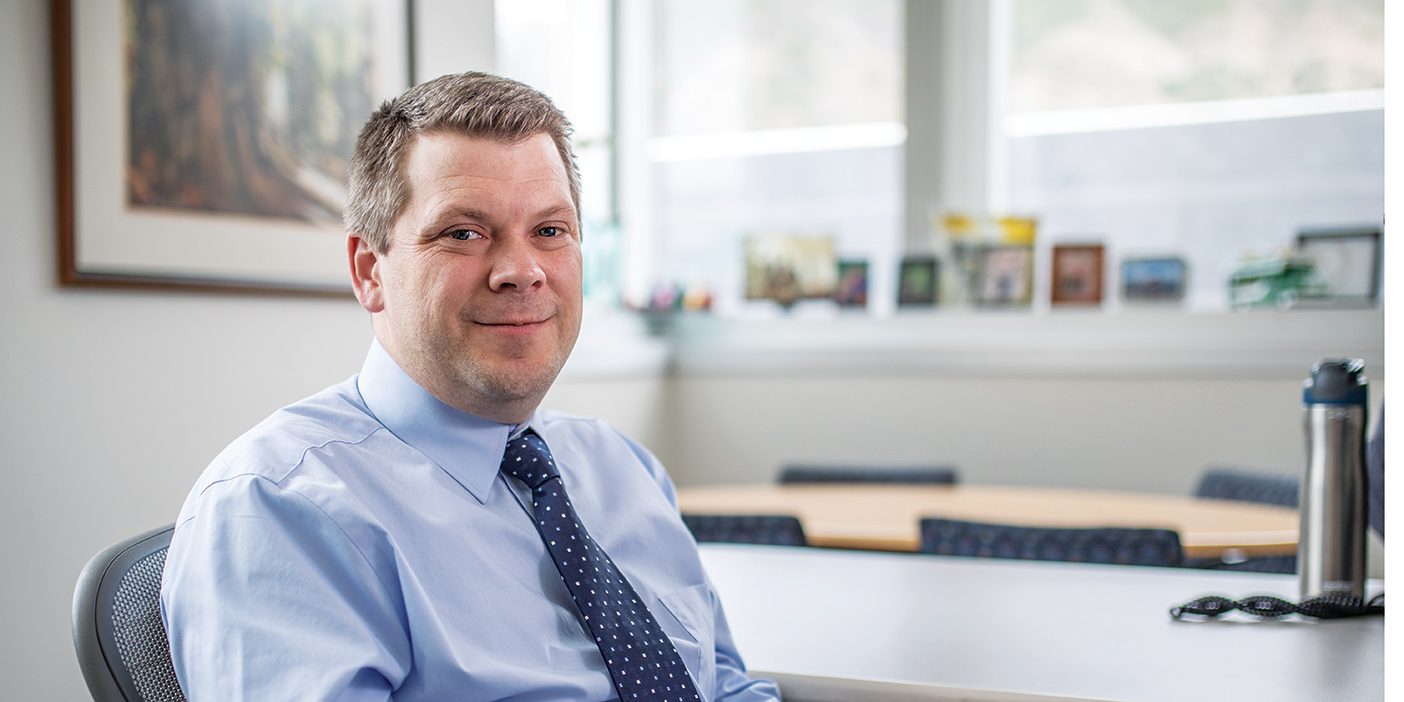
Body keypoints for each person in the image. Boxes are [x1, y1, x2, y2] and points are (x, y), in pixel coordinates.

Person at [160, 72, 781, 702]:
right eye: (463, 233)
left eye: (550, 230)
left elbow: (722, 684)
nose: (522, 271)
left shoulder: (624, 468)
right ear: (370, 271)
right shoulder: (279, 508)